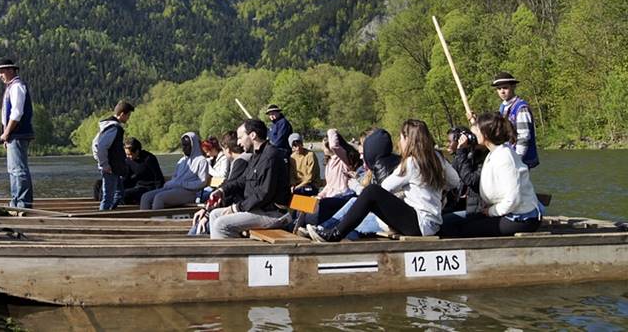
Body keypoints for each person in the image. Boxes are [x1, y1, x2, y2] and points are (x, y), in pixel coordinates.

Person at [308, 119, 459, 242]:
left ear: (408, 139)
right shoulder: (438, 158)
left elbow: (384, 188)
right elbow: (455, 182)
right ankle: (333, 231)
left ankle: (335, 234)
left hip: (419, 224)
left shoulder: (412, 162)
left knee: (372, 191)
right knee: (369, 195)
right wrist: (436, 186)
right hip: (432, 224)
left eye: (401, 138)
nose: (400, 143)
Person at [440, 112, 542, 238]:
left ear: (485, 134)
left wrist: (490, 211)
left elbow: (513, 200)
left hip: (520, 218)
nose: (473, 134)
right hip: (503, 212)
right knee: (446, 222)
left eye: (476, 130)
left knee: (459, 229)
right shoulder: (493, 153)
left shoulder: (505, 157)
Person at [208, 119, 292, 239]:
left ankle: (231, 257)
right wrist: (222, 191)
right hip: (258, 210)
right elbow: (242, 180)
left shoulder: (270, 156)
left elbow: (264, 194)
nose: (238, 142)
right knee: (215, 215)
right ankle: (227, 254)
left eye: (240, 137)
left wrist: (236, 208)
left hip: (273, 214)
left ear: (252, 135)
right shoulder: (256, 156)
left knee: (221, 225)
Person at [189, 131, 252, 235]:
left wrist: (207, 214)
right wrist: (206, 209)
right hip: (238, 206)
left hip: (240, 207)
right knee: (202, 222)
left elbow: (231, 189)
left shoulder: (241, 161)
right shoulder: (242, 160)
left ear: (227, 149)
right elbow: (227, 185)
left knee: (198, 228)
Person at [0, 58, 34, 208]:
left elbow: (17, 112)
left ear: (11, 70)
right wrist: (7, 136)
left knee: (18, 170)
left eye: (2, 71)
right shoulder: (11, 87)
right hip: (14, 135)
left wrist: (6, 133)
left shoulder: (17, 87)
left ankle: (22, 203)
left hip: (18, 133)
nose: (0, 75)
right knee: (13, 170)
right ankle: (16, 202)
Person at [140, 132, 209, 210]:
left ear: (194, 145)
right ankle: (145, 220)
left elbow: (202, 182)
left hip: (190, 193)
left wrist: (182, 184)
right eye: (183, 145)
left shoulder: (201, 161)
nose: (184, 148)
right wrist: (171, 183)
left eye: (187, 145)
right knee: (145, 197)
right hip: (175, 189)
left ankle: (158, 221)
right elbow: (175, 177)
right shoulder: (182, 161)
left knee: (159, 198)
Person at [491, 71, 539, 169]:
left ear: (513, 87)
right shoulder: (503, 107)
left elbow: (524, 137)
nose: (502, 91)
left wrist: (517, 160)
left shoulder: (521, 108)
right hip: (508, 156)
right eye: (499, 89)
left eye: (505, 88)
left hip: (519, 161)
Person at [93, 101, 134, 210]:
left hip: (114, 168)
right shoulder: (114, 128)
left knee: (119, 193)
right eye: (128, 115)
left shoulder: (106, 127)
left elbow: (95, 145)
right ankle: (103, 219)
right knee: (108, 197)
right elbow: (100, 146)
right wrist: (104, 164)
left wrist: (101, 162)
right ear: (122, 114)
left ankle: (110, 213)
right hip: (111, 168)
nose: (128, 118)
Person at [122, 137, 164, 205]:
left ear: (137, 151)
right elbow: (127, 178)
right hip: (137, 186)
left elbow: (158, 178)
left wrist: (157, 194)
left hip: (149, 188)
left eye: (130, 154)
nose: (128, 156)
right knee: (118, 193)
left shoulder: (149, 158)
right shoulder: (128, 160)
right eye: (126, 154)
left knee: (125, 194)